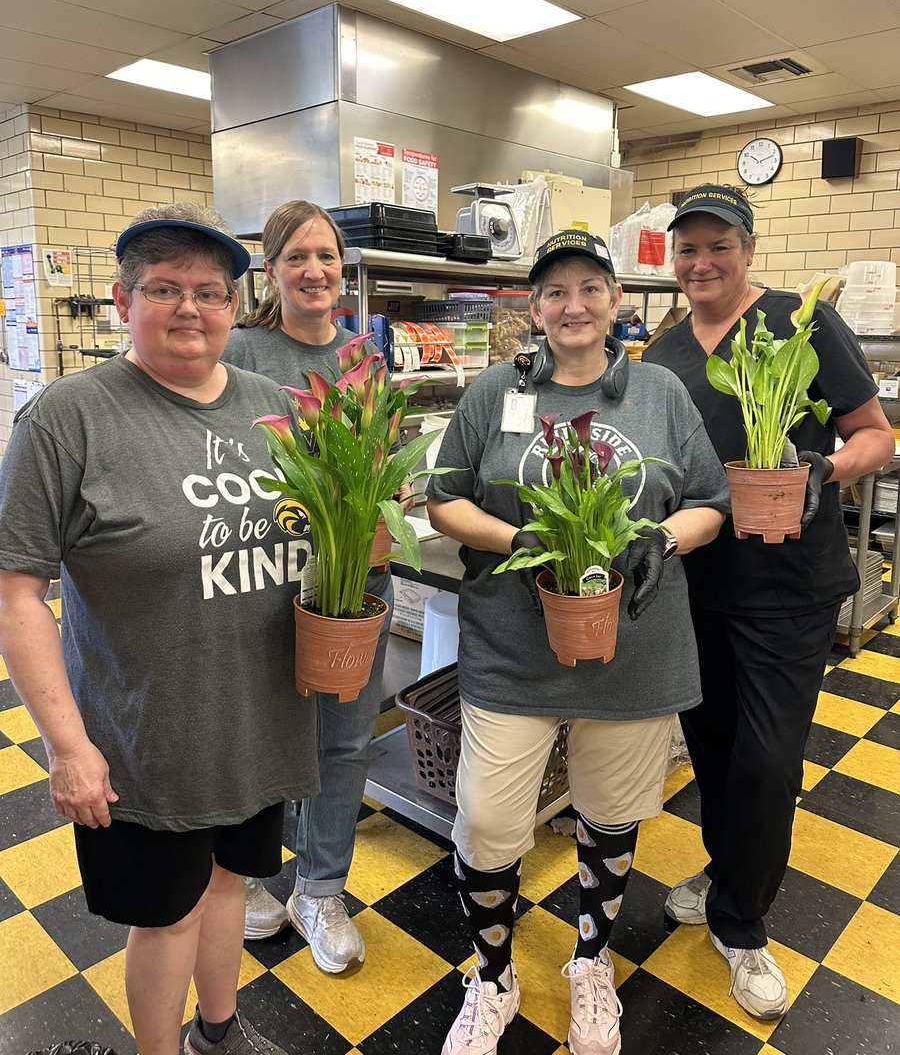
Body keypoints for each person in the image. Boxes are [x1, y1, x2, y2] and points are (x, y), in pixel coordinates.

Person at [0, 203, 319, 1055]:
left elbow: (313, 536)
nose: (190, 309)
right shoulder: (68, 418)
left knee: (225, 893)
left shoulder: (274, 407)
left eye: (211, 292)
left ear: (234, 305)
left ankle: (221, 1032)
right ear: (121, 300)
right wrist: (69, 748)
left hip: (257, 719)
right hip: (147, 735)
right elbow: (17, 594)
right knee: (166, 917)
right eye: (164, 289)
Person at [425, 229, 730, 1055]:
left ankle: (589, 963)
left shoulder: (661, 391)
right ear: (535, 307)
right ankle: (491, 975)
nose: (574, 305)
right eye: (555, 292)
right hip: (512, 651)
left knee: (611, 817)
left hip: (635, 649)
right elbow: (442, 500)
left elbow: (711, 498)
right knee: (488, 823)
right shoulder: (498, 391)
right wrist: (520, 543)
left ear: (616, 300)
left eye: (590, 288)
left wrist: (663, 540)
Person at [643, 183, 895, 1021]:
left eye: (719, 245)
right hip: (697, 586)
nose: (702, 262)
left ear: (748, 248)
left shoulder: (800, 322)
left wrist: (822, 469)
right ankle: (725, 871)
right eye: (688, 248)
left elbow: (874, 433)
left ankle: (743, 928)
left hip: (787, 589)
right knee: (712, 751)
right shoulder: (666, 353)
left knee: (767, 761)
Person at [224, 199, 408, 973]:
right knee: (262, 731)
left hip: (354, 580)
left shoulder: (364, 356)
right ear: (269, 270)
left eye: (326, 256)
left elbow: (383, 467)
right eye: (296, 257)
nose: (314, 270)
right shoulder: (239, 352)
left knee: (343, 739)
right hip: (263, 580)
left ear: (344, 267)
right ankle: (253, 878)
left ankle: (321, 887)